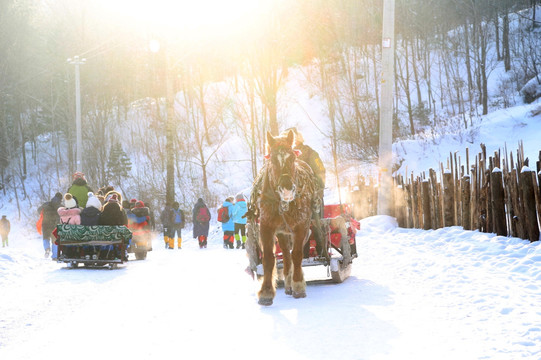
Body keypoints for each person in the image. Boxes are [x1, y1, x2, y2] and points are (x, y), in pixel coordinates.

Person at [282, 127, 326, 258]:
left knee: (316, 223)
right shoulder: (283, 154)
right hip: (291, 197)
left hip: (311, 195)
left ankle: (321, 249)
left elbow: (320, 172)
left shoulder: (310, 153)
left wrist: (318, 191)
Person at [37, 192, 63, 259]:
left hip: (45, 224)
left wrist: (44, 214)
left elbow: (39, 210)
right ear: (61, 199)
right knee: (55, 239)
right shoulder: (61, 206)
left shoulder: (46, 204)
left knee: (46, 237)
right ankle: (55, 256)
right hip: (55, 224)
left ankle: (47, 249)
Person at [58, 193, 82, 258]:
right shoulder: (76, 216)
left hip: (64, 237)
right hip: (74, 238)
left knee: (67, 239)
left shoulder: (61, 216)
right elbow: (79, 226)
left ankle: (65, 253)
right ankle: (75, 253)